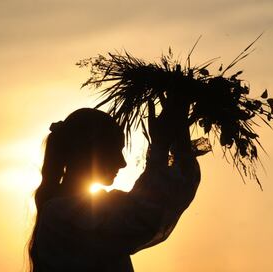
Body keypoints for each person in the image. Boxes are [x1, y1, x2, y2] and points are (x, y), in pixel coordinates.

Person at [28, 97, 201, 271]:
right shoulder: (63, 214)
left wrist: (180, 141)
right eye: (114, 151)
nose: (123, 163)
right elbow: (146, 214)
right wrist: (161, 147)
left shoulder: (75, 210)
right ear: (89, 152)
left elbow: (158, 202)